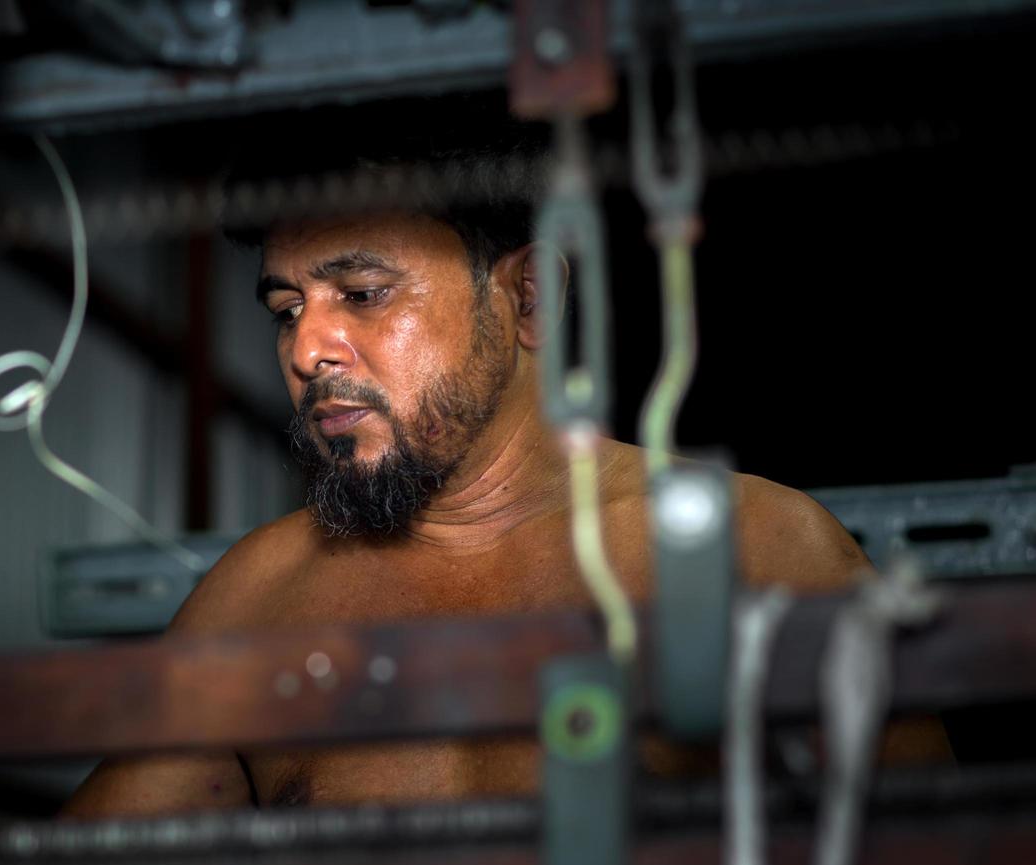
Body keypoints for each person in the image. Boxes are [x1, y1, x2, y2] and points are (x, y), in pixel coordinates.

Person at [62, 150, 913, 817]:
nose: (305, 349)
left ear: (529, 300)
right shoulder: (255, 598)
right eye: (288, 308)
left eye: (360, 292)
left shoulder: (752, 547)